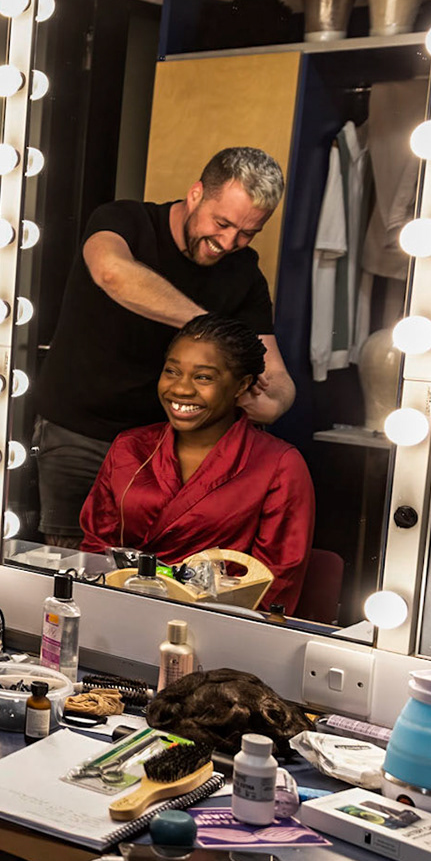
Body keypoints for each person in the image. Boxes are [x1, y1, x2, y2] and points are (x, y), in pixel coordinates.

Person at [32, 147, 296, 548]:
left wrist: (267, 403)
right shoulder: (123, 221)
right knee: (74, 569)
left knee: (157, 576)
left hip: (165, 451)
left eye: (247, 233)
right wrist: (207, 330)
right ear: (195, 195)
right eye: (221, 223)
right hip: (80, 436)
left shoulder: (244, 274)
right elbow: (113, 273)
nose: (228, 242)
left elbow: (277, 383)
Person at [79, 316, 315, 613]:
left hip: (220, 629)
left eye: (203, 377)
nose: (181, 389)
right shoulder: (129, 447)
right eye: (172, 372)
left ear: (241, 385)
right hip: (121, 611)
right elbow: (96, 550)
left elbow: (275, 583)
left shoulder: (278, 464)